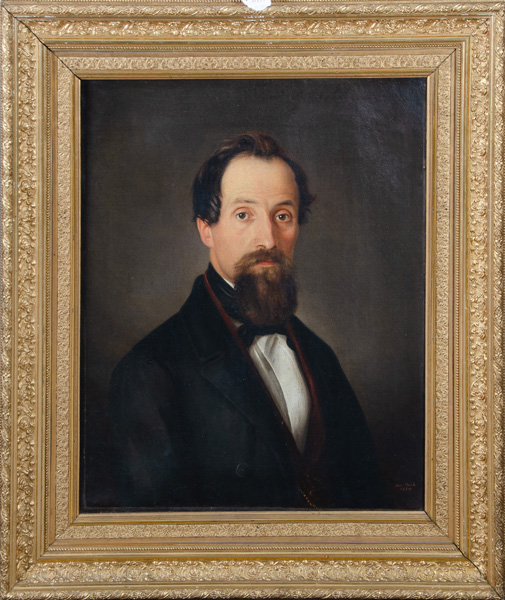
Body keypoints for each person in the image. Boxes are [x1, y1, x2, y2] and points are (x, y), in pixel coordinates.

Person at [109, 132, 389, 510]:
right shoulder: (149, 371)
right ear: (206, 228)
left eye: (282, 216)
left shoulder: (320, 356)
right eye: (244, 215)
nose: (268, 239)